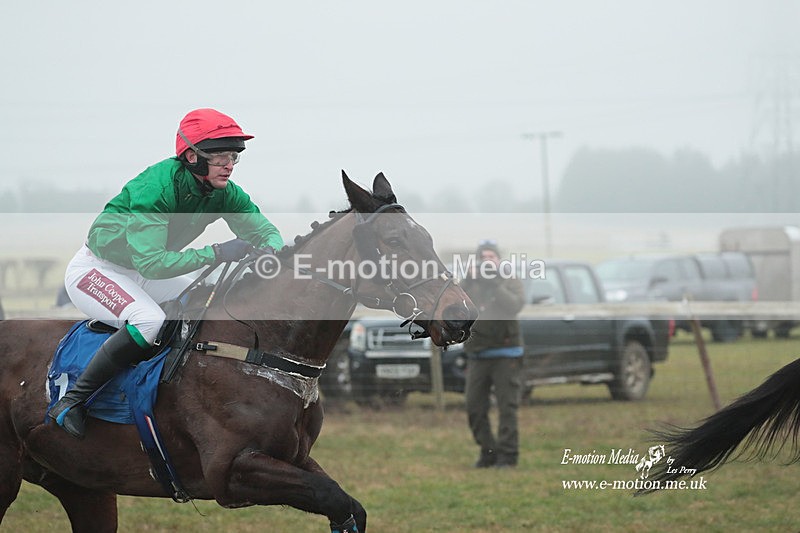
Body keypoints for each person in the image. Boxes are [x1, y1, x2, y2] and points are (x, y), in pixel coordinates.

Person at [49, 108, 284, 439]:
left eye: (234, 156)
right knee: (149, 321)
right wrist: (217, 252)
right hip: (97, 270)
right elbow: (153, 264)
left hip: (141, 269)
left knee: (204, 305)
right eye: (220, 157)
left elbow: (264, 230)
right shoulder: (156, 190)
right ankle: (72, 401)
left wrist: (271, 251)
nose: (229, 165)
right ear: (192, 157)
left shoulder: (224, 191)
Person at [461, 239, 526, 468]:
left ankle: (508, 456)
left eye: (491, 257)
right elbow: (457, 306)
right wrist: (469, 280)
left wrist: (495, 284)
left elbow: (515, 306)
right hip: (478, 354)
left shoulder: (509, 280)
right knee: (474, 407)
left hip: (506, 352)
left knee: (507, 407)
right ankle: (488, 452)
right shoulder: (471, 283)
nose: (487, 261)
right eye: (483, 258)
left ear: (499, 260)